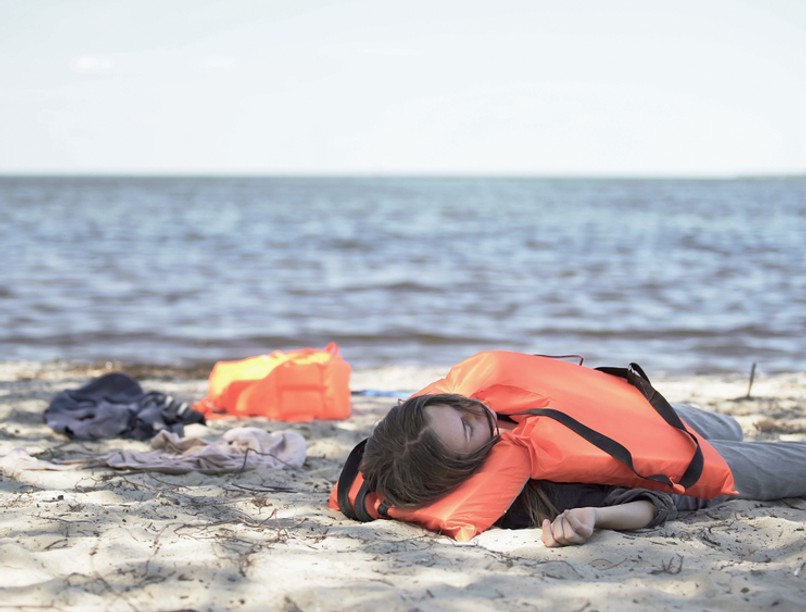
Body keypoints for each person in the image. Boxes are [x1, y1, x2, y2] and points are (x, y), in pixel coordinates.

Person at [360, 392, 806, 548]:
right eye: (467, 426)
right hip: (679, 475)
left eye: (458, 406)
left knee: (729, 425)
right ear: (467, 464)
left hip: (647, 425)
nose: (478, 410)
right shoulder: (537, 492)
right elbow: (653, 503)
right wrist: (596, 517)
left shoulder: (480, 415)